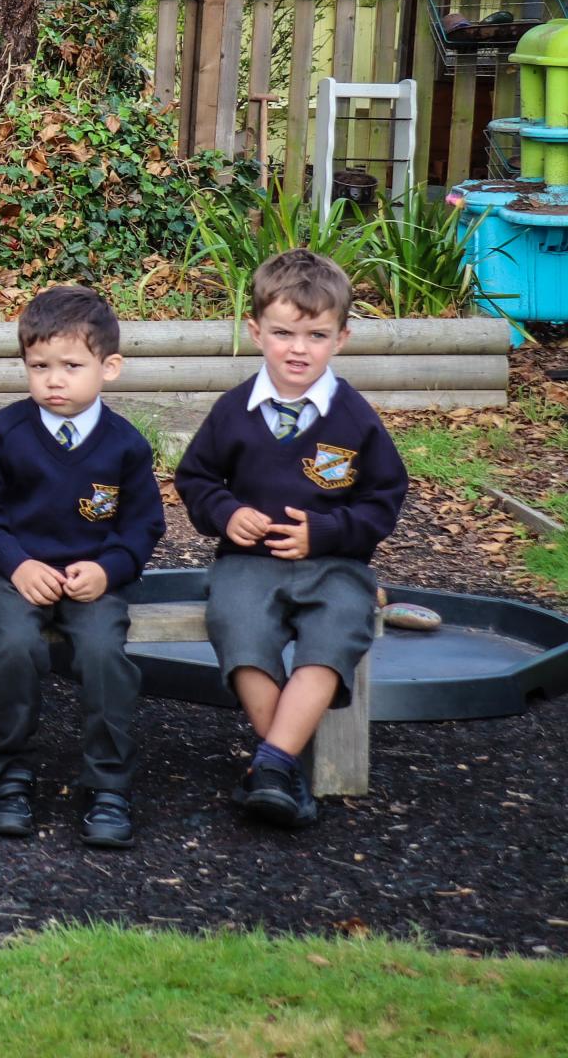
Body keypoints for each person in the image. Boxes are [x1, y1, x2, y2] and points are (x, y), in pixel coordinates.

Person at [174, 250, 408, 829]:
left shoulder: (355, 419)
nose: (298, 348)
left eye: (316, 335)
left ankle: (271, 765)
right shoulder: (234, 412)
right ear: (256, 332)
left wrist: (327, 531)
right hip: (247, 565)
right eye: (282, 333)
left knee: (335, 630)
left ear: (342, 339)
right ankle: (281, 764)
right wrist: (227, 514)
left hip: (335, 567)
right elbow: (196, 478)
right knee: (237, 626)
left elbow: (384, 498)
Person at [0, 286, 165, 849]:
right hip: (14, 576)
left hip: (93, 581)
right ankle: (10, 777)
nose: (54, 380)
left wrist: (111, 569)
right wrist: (15, 564)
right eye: (39, 366)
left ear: (109, 367)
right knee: (15, 649)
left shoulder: (124, 445)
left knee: (103, 655)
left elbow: (143, 525)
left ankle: (108, 787)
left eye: (71, 366)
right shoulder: (6, 434)